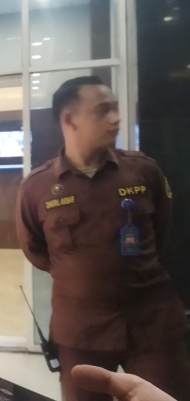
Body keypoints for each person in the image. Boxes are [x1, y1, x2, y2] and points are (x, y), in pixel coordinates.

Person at [16, 76, 190, 401]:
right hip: (81, 330)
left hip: (153, 325)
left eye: (115, 109)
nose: (116, 118)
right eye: (103, 110)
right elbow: (35, 250)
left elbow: (164, 232)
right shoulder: (37, 188)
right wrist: (80, 276)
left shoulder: (143, 171)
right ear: (70, 120)